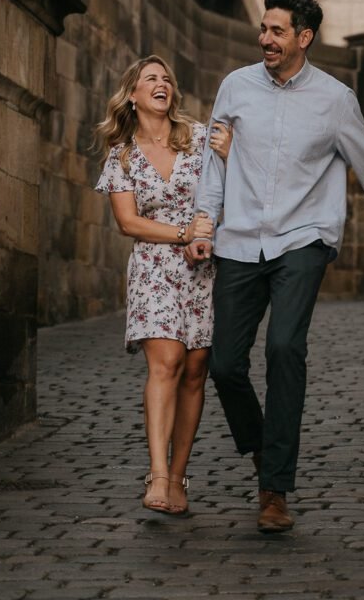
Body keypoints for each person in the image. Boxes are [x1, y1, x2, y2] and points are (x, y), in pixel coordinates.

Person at [186, 0, 364, 533]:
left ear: (304, 38)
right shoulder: (235, 87)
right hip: (240, 240)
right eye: (263, 29)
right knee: (224, 363)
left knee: (285, 347)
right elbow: (213, 165)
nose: (265, 39)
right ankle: (262, 447)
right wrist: (206, 223)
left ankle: (274, 488)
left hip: (304, 238)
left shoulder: (336, 100)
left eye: (277, 31)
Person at [95, 55, 230, 516]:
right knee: (166, 362)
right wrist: (181, 234)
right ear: (132, 95)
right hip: (154, 268)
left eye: (166, 78)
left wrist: (229, 157)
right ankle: (156, 473)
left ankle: (177, 478)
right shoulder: (122, 155)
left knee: (195, 371)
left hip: (204, 267)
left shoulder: (197, 137)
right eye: (150, 78)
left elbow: (227, 188)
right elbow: (128, 223)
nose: (162, 83)